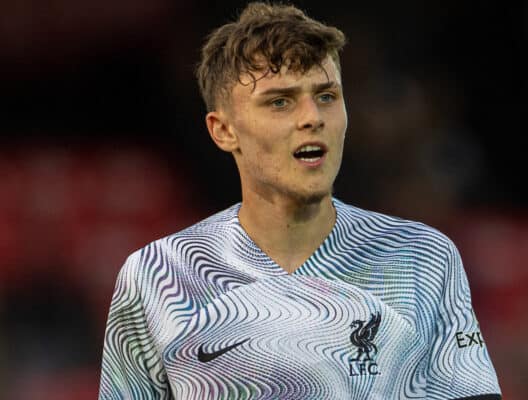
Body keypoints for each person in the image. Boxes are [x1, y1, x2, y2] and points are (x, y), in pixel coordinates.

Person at [99, 2, 502, 399]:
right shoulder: (158, 276)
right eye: (280, 101)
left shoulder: (421, 257)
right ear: (223, 130)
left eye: (326, 96)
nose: (312, 118)